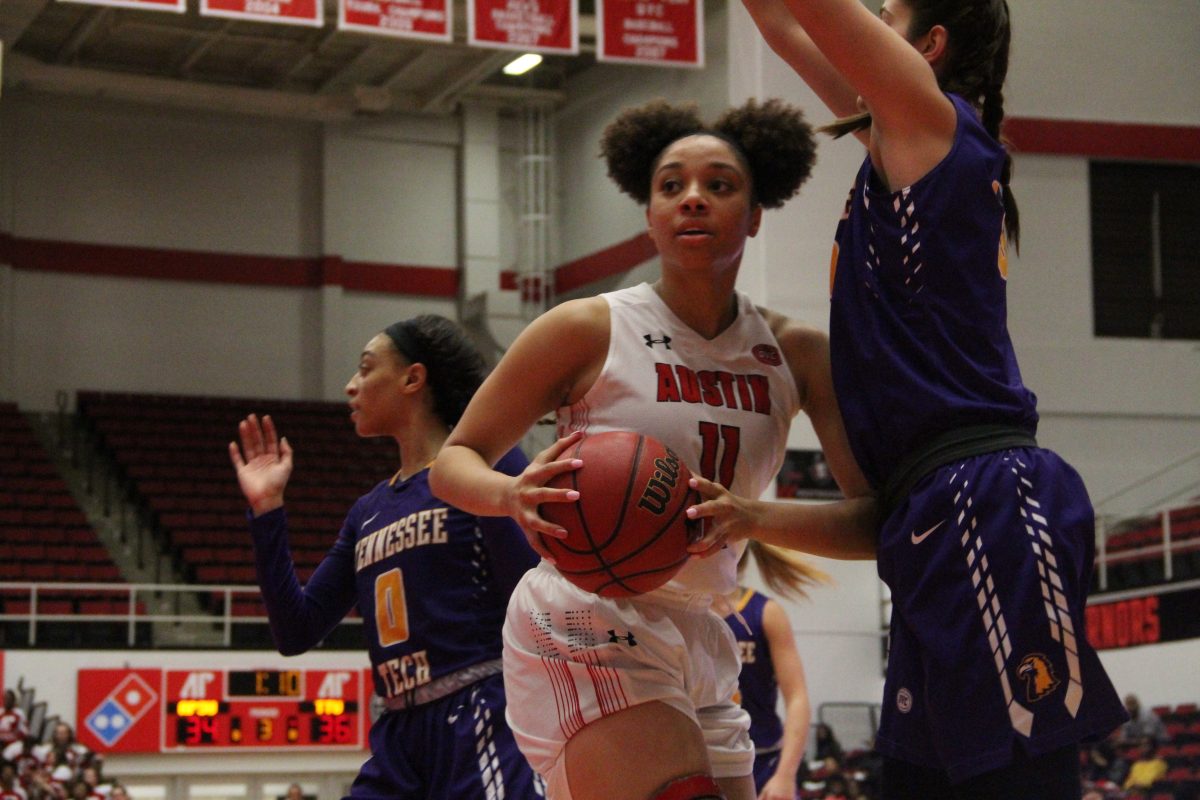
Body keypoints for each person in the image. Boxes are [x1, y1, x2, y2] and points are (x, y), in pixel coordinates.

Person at [688, 0, 1130, 797]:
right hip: (936, 505)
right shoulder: (901, 146)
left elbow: (815, 16)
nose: (869, 22)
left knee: (1016, 783)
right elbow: (786, 30)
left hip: (985, 496)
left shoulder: (934, 125)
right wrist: (753, 517)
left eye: (884, 13)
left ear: (929, 45)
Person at [431, 98, 876, 800]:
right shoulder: (585, 328)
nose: (692, 199)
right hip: (588, 610)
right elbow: (454, 462)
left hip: (706, 626)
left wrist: (754, 518)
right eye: (671, 186)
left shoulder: (799, 354)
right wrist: (510, 494)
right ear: (650, 214)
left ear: (756, 215)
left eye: (719, 185)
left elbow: (875, 522)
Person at [228, 315, 544, 799]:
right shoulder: (367, 512)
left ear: (413, 378)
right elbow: (295, 631)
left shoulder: (489, 464)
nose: (350, 386)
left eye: (365, 368)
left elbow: (531, 587)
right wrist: (267, 512)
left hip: (479, 711)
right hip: (397, 730)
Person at [723, 542, 819, 799]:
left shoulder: (765, 612)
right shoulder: (684, 614)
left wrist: (786, 775)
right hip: (703, 760)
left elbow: (797, 697)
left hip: (763, 759)